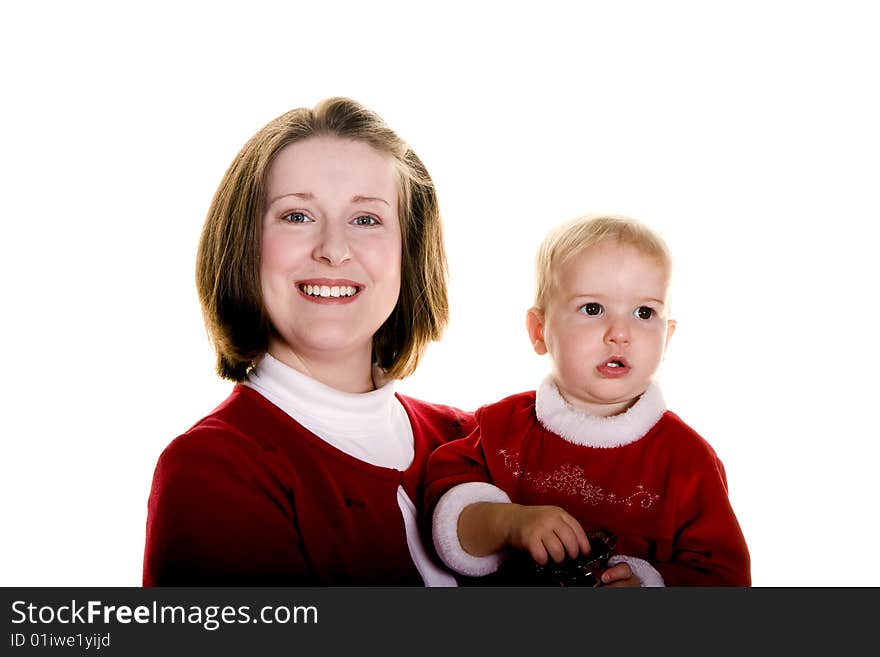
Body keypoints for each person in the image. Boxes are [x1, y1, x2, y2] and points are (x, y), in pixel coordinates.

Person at [143, 97, 476, 585]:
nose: (333, 250)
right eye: (297, 216)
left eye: (367, 219)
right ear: (245, 242)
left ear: (409, 251)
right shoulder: (211, 471)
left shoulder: (471, 441)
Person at [424, 215, 751, 586]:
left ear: (668, 337)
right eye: (593, 309)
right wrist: (508, 522)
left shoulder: (688, 460)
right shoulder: (501, 427)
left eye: (644, 313)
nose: (620, 334)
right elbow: (446, 514)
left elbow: (726, 576)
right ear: (539, 331)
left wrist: (650, 583)